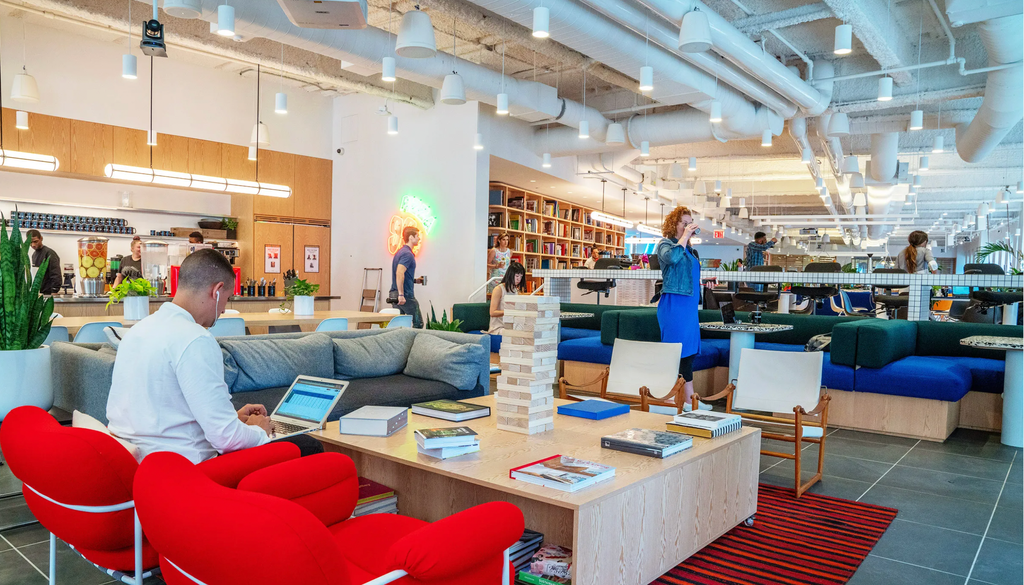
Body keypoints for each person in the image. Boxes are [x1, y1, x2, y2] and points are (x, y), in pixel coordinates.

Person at [106, 249, 324, 463]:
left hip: (137, 462)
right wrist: (260, 430)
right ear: (217, 291)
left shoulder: (137, 330)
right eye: (227, 299)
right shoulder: (195, 338)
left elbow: (169, 412)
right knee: (307, 445)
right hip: (185, 467)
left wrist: (234, 419)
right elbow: (226, 439)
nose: (223, 311)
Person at [656, 206, 710, 412]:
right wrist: (685, 236)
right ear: (674, 225)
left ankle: (689, 400)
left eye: (690, 223)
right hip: (674, 305)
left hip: (689, 306)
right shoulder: (666, 244)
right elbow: (671, 259)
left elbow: (688, 275)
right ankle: (668, 398)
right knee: (674, 351)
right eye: (684, 223)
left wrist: (704, 283)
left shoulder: (691, 251)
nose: (688, 226)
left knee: (689, 352)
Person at [390, 226, 423, 328]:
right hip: (405, 295)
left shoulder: (400, 252)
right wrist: (401, 295)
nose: (419, 238)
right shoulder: (407, 254)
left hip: (395, 293)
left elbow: (402, 275)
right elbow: (400, 273)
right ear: (411, 237)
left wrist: (414, 280)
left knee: (399, 326)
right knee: (418, 324)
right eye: (417, 236)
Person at [488, 262, 528, 333]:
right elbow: (492, 312)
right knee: (515, 334)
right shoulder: (498, 289)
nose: (519, 279)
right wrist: (510, 312)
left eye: (521, 277)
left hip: (512, 325)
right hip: (498, 327)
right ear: (510, 275)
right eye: (517, 276)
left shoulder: (516, 290)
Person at [26, 230, 63, 295]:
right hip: (39, 292)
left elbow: (55, 273)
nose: (33, 245)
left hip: (49, 292)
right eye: (30, 242)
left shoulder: (49, 253)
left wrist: (54, 291)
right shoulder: (34, 255)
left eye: (35, 241)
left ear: (41, 238)